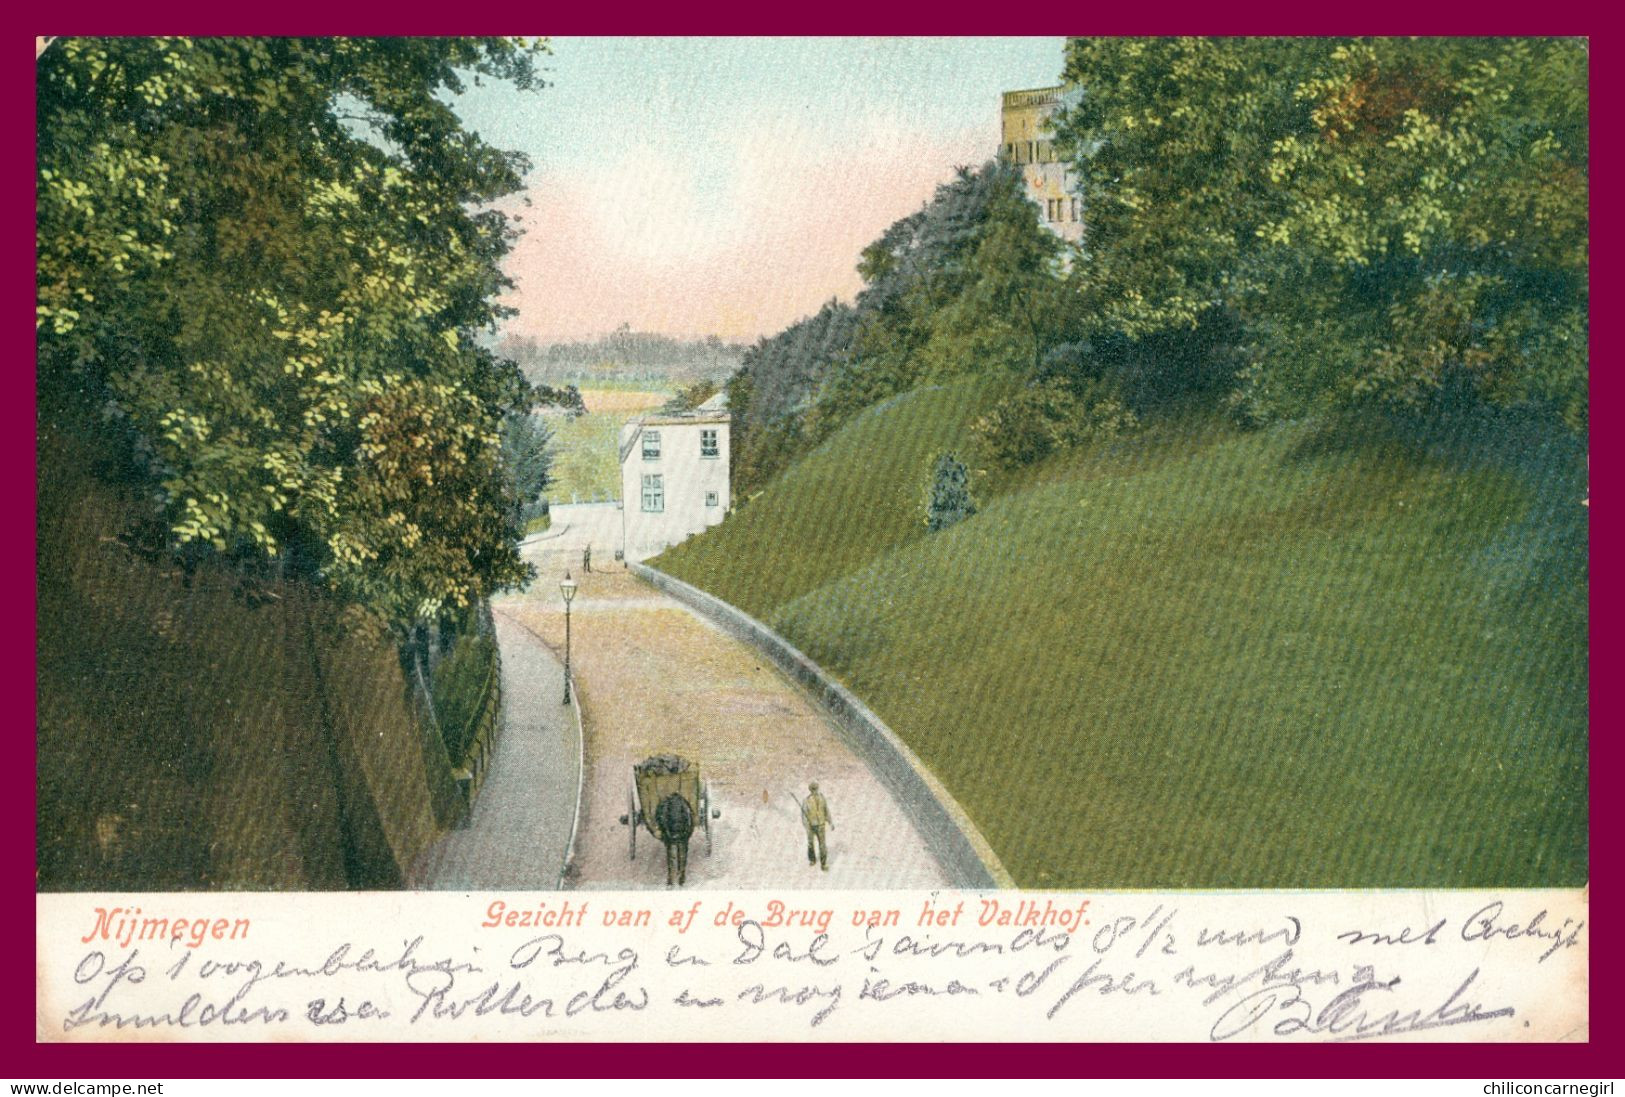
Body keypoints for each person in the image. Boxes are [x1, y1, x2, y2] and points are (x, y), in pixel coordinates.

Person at [801, 781, 833, 871]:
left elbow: (826, 811)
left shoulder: (822, 798)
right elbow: (804, 815)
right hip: (811, 826)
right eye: (813, 790)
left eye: (816, 789)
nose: (815, 791)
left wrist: (830, 822)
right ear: (810, 790)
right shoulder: (806, 800)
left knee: (822, 845)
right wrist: (807, 826)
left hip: (821, 825)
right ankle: (812, 859)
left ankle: (824, 864)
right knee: (810, 843)